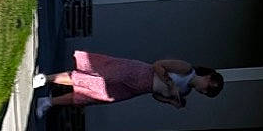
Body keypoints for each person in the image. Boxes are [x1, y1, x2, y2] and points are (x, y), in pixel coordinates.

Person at [35, 54, 224, 116]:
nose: (202, 90)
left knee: (95, 95)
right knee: (95, 76)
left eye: (206, 93)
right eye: (207, 88)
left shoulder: (185, 92)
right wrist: (169, 82)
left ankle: (49, 102)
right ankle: (47, 78)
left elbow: (156, 96)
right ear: (208, 78)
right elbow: (158, 65)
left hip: (139, 89)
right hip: (139, 72)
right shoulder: (186, 68)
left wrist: (172, 100)